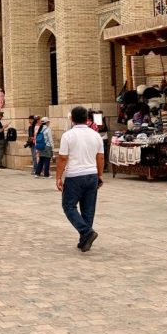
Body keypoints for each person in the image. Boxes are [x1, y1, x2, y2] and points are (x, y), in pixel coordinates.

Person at [55, 106, 105, 252]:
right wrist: (100, 175)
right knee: (88, 209)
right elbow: (100, 156)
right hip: (91, 174)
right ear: (87, 118)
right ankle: (84, 239)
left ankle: (86, 232)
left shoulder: (68, 135)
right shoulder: (96, 135)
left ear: (72, 119)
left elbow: (63, 158)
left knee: (68, 206)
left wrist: (58, 177)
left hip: (74, 176)